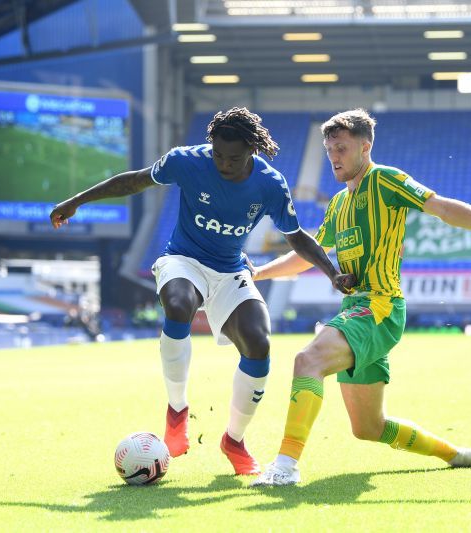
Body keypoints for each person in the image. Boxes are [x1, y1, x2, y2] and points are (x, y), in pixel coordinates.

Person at [248, 109, 471, 486]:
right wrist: (258, 273)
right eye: (329, 151)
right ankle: (454, 454)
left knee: (307, 360)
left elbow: (442, 208)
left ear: (365, 146)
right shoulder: (339, 204)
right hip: (357, 310)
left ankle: (284, 468)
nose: (334, 158)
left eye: (341, 148)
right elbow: (307, 255)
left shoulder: (385, 179)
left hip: (380, 308)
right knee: (368, 427)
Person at [50, 107, 354, 475]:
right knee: (178, 305)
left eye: (234, 158)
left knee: (259, 342)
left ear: (252, 152)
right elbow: (134, 180)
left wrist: (331, 273)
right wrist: (77, 201)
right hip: (183, 260)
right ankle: (177, 411)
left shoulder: (270, 184)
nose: (224, 164)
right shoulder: (186, 161)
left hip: (230, 270)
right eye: (218, 155)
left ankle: (234, 440)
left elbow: (298, 238)